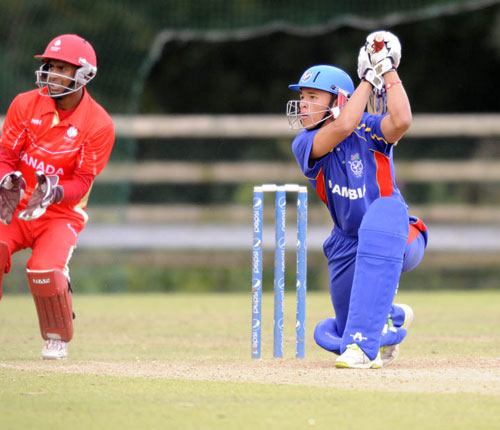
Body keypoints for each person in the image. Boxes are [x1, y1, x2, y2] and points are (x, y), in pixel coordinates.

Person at [286, 31, 428, 368]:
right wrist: (369, 76)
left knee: (378, 228)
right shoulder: (306, 143)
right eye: (302, 97)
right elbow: (344, 125)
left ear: (338, 100)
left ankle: (366, 350)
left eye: (311, 97)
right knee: (349, 324)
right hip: (346, 243)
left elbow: (403, 120)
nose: (303, 104)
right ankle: (390, 319)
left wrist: (387, 69)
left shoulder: (369, 128)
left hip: (398, 233)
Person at [0, 34, 115, 360]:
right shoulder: (25, 104)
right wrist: (5, 179)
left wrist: (55, 191)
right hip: (16, 204)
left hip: (60, 212)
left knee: (45, 271)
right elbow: (6, 154)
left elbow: (82, 181)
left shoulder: (99, 124)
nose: (51, 74)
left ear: (83, 75)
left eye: (62, 68)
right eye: (50, 66)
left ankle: (56, 336)